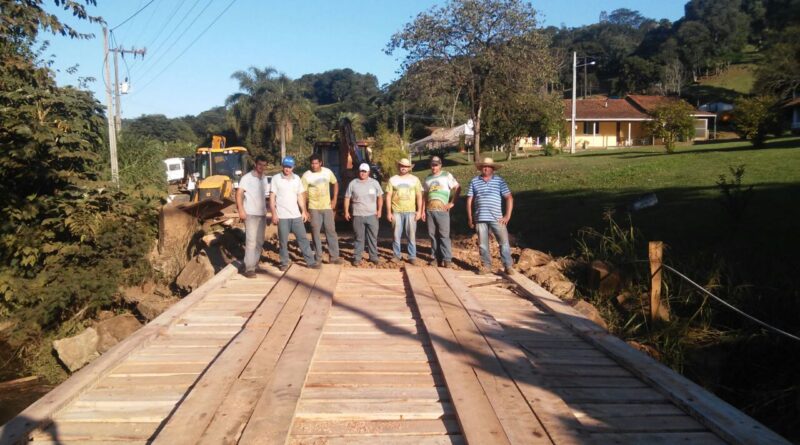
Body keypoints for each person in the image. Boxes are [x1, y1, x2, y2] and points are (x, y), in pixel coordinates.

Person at [466, 157, 516, 275]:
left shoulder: (499, 181)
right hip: (480, 218)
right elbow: (469, 201)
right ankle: (486, 266)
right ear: (480, 168)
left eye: (488, 167)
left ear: (493, 168)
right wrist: (470, 218)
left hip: (497, 218)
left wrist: (507, 216)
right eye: (484, 166)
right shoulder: (474, 181)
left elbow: (509, 198)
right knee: (483, 244)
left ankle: (508, 265)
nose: (486, 168)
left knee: (503, 242)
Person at [270, 156, 319, 272]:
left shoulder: (297, 178)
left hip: (296, 216)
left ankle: (310, 262)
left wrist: (304, 211)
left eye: (290, 167)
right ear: (282, 166)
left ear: (293, 167)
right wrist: (273, 213)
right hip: (282, 216)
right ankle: (284, 262)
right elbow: (272, 197)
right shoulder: (276, 178)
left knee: (303, 239)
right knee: (283, 241)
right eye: (286, 166)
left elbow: (300, 196)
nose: (287, 169)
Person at [302, 154, 342, 265]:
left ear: (320, 163)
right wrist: (305, 209)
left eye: (316, 163)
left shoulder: (327, 172)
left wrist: (334, 199)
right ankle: (318, 257)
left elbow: (335, 183)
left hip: (327, 207)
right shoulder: (306, 175)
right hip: (313, 208)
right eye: (312, 163)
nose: (314, 166)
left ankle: (334, 256)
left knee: (331, 231)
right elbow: (303, 193)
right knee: (315, 232)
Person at [422, 155, 460, 268]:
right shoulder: (428, 178)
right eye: (432, 165)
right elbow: (424, 195)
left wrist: (452, 203)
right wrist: (423, 210)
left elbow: (457, 188)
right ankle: (435, 257)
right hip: (430, 210)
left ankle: (447, 259)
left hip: (442, 210)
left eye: (436, 165)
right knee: (432, 235)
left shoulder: (446, 175)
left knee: (444, 235)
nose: (434, 167)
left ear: (440, 165)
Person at [236, 155, 270, 278]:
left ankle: (255, 265)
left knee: (259, 241)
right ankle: (249, 268)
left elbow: (264, 196)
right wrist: (241, 210)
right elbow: (239, 194)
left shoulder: (265, 178)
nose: (262, 167)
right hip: (250, 213)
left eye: (264, 165)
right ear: (255, 164)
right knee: (251, 241)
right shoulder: (247, 178)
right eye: (260, 164)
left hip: (262, 214)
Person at [344, 163, 384, 266]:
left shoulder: (374, 183)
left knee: (373, 237)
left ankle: (373, 257)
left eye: (365, 171)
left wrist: (379, 210)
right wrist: (346, 211)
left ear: (368, 172)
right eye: (361, 171)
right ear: (359, 171)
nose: (363, 173)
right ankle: (357, 258)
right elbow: (347, 197)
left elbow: (380, 197)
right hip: (358, 215)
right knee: (358, 237)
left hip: (372, 215)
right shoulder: (353, 183)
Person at [385, 158, 423, 265]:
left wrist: (419, 211)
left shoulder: (415, 179)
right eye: (402, 165)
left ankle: (412, 256)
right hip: (396, 211)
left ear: (409, 168)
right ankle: (397, 255)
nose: (403, 168)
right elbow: (388, 196)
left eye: (406, 166)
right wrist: (388, 212)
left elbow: (419, 195)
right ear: (398, 166)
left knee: (411, 235)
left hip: (411, 211)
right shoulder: (393, 179)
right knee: (396, 235)